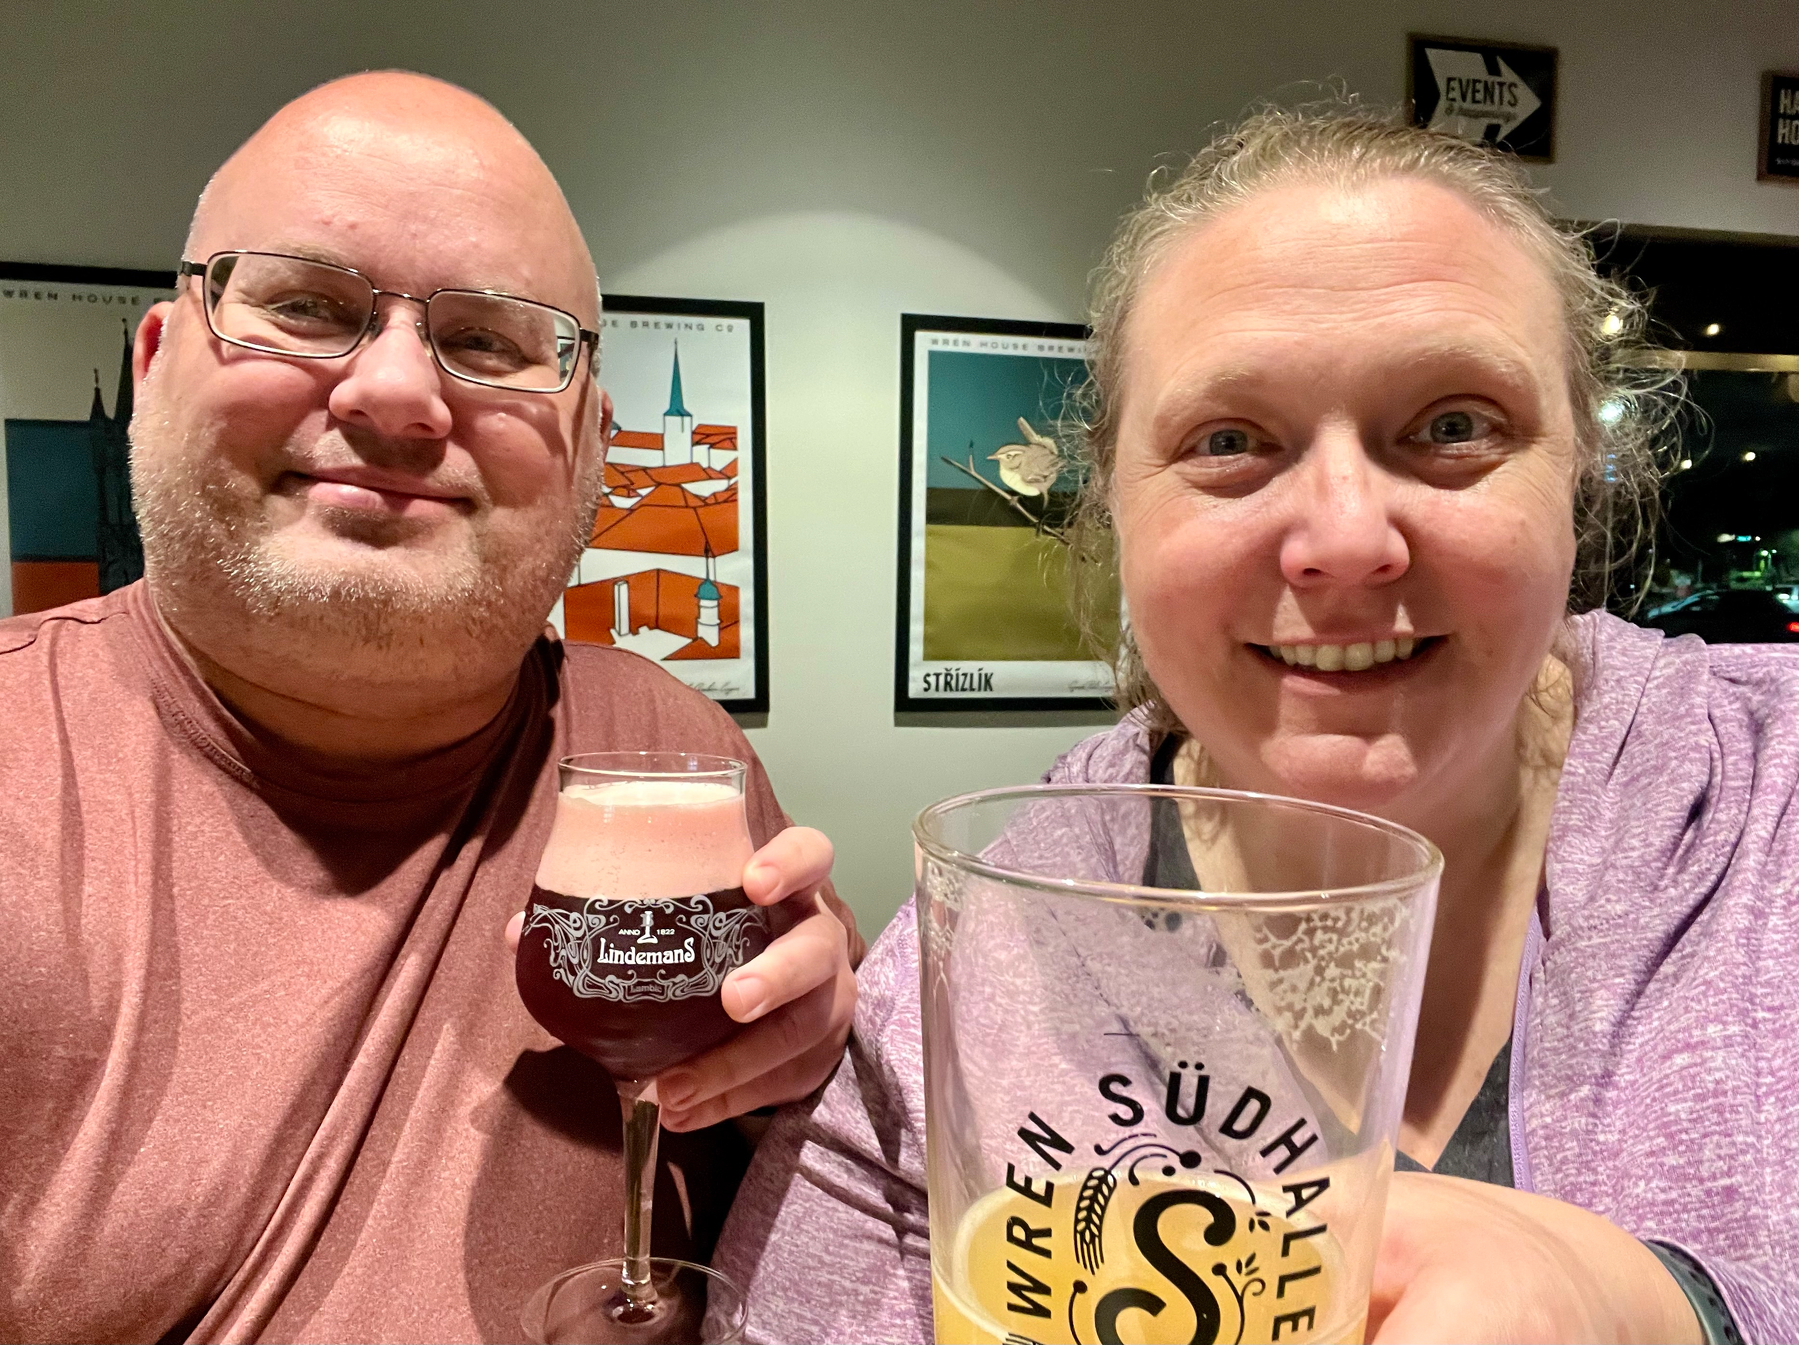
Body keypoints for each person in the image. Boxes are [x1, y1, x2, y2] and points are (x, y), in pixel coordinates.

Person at [712, 104, 1796, 1344]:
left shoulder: (1771, 810)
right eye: (1228, 441)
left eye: (1451, 425)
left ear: (1577, 479)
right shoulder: (985, 939)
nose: (1343, 540)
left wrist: (1665, 1317)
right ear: (1113, 502)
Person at [0, 72, 860, 1343]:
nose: (396, 395)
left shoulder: (675, 751)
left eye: (489, 341)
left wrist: (819, 1055)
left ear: (592, 444)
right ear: (155, 359)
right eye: (302, 306)